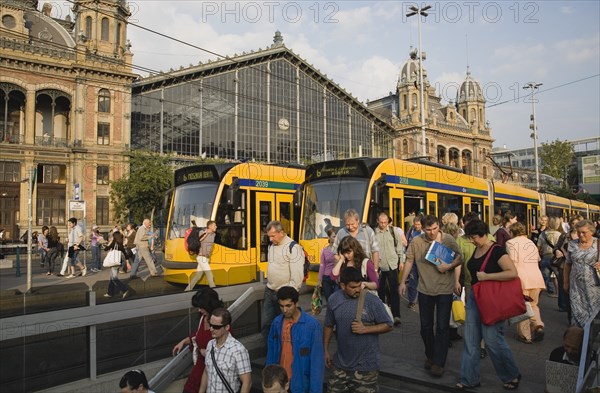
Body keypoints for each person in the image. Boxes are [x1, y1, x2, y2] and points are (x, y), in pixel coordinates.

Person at [456, 219, 521, 390]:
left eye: (474, 237)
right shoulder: (477, 248)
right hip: (475, 299)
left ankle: (511, 374)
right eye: (470, 237)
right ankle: (469, 378)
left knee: (492, 340)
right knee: (470, 341)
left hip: (491, 301)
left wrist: (487, 276)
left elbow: (512, 273)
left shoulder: (497, 250)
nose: (472, 240)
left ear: (484, 234)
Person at [399, 215, 462, 377]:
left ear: (439, 226)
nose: (432, 232)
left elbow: (460, 257)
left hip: (444, 290)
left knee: (442, 327)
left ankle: (438, 363)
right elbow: (409, 261)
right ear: (423, 229)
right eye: (428, 230)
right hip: (425, 289)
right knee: (425, 327)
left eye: (435, 229)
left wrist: (450, 267)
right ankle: (431, 355)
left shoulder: (448, 239)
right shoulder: (417, 241)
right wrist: (402, 282)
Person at [324, 267, 393, 392]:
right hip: (340, 365)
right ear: (343, 285)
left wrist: (365, 329)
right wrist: (325, 350)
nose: (358, 290)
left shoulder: (372, 301)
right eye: (353, 287)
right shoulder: (334, 299)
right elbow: (328, 325)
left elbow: (389, 324)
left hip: (365, 368)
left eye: (359, 285)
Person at [266, 286, 324, 393]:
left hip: (300, 385)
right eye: (281, 306)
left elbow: (317, 363)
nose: (285, 310)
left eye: (288, 306)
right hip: (279, 384)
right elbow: (271, 354)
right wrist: (268, 381)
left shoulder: (312, 326)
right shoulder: (276, 323)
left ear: (296, 303)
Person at [173, 288, 224, 393]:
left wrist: (207, 353)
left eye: (201, 307)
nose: (199, 310)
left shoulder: (222, 322)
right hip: (200, 368)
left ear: (209, 306)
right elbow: (198, 336)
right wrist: (183, 342)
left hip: (215, 372)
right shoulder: (203, 318)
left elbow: (227, 349)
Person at [262, 220, 305, 341]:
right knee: (267, 325)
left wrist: (289, 296)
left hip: (284, 295)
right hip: (270, 291)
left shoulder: (293, 247)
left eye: (272, 236)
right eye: (269, 236)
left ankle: (285, 355)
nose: (270, 239)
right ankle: (270, 353)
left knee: (286, 326)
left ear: (281, 233)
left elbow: (297, 276)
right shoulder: (271, 246)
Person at [506, 222, 546, 343]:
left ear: (512, 232)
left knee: (521, 306)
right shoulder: (531, 243)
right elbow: (538, 259)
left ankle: (525, 335)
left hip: (521, 279)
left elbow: (512, 260)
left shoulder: (511, 243)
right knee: (533, 305)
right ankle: (538, 325)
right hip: (536, 278)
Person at [200, 308, 252, 393]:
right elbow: (206, 371)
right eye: (210, 325)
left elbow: (247, 382)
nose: (211, 329)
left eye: (216, 327)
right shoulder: (210, 344)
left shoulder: (238, 350)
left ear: (227, 327)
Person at [563, 220, 600, 327]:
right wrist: (565, 282)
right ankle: (577, 340)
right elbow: (567, 264)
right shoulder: (572, 244)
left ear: (592, 232)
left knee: (593, 314)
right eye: (579, 232)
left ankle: (590, 339)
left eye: (584, 232)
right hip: (576, 286)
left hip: (594, 287)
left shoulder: (598, 244)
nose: (581, 235)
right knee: (576, 312)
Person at [374, 212, 404, 325]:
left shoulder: (393, 231)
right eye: (381, 222)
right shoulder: (373, 233)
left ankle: (396, 315)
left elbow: (399, 246)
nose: (383, 224)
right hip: (379, 266)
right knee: (380, 291)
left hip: (392, 264)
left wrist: (401, 260)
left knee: (394, 291)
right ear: (377, 221)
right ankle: (382, 315)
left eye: (385, 222)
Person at [554, 216, 581, 322]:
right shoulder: (565, 236)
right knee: (567, 290)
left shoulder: (586, 237)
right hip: (564, 265)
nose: (575, 225)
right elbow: (557, 247)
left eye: (577, 223)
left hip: (579, 268)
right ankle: (568, 313)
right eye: (573, 223)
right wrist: (556, 251)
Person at [186, 221, 217, 291]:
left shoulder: (213, 235)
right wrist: (206, 233)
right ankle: (214, 292)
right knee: (210, 275)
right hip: (201, 257)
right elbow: (198, 240)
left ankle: (187, 290)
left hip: (206, 258)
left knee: (197, 276)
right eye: (214, 225)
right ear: (210, 226)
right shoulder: (203, 232)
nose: (216, 227)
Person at [103, 231, 132, 299]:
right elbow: (125, 254)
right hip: (118, 262)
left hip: (114, 263)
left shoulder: (114, 243)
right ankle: (110, 293)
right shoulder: (120, 244)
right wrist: (127, 263)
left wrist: (109, 243)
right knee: (111, 278)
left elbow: (105, 249)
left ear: (114, 237)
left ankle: (125, 289)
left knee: (114, 279)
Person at [538, 217, 562, 297]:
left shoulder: (543, 234)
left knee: (543, 279)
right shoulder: (559, 235)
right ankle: (561, 299)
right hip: (556, 258)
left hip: (545, 257)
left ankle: (537, 297)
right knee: (559, 279)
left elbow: (538, 246)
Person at [405, 215, 423, 310]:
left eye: (418, 224)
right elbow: (406, 242)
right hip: (413, 259)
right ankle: (412, 301)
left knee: (423, 280)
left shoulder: (425, 232)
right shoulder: (411, 231)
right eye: (415, 224)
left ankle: (422, 299)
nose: (416, 226)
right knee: (412, 280)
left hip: (423, 260)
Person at [318, 227, 339, 301]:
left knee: (336, 299)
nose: (335, 238)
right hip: (326, 278)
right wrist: (319, 280)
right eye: (333, 236)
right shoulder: (324, 250)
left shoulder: (340, 249)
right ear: (329, 237)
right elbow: (322, 266)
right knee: (329, 300)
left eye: (337, 236)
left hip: (337, 277)